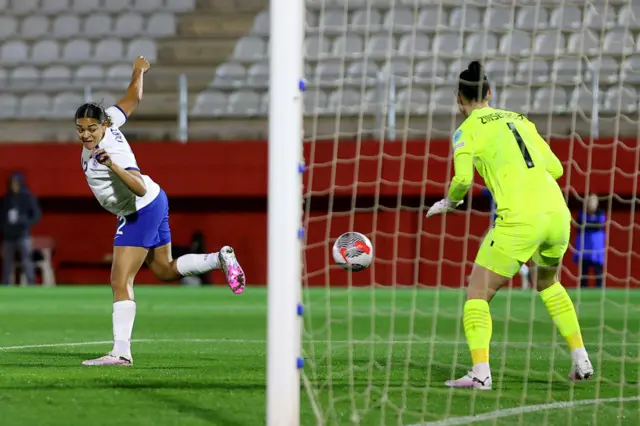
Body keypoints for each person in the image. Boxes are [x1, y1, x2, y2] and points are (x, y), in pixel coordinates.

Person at [426, 61, 593, 389]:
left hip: (519, 219)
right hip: (557, 215)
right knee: (549, 283)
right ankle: (581, 357)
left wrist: (452, 201)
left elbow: (462, 178)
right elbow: (557, 168)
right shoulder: (520, 120)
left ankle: (480, 373)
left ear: (458, 98)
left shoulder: (467, 130)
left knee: (477, 292)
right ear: (489, 93)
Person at [78, 56, 246, 367]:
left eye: (91, 128)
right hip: (156, 199)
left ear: (103, 126)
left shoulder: (110, 151)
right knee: (164, 269)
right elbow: (132, 98)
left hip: (140, 206)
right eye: (81, 129)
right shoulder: (111, 122)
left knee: (120, 280)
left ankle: (120, 353)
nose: (86, 135)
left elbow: (138, 186)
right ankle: (218, 258)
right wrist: (138, 70)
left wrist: (112, 165)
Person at [480, 187, 532, 289]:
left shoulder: (496, 188)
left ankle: (482, 277)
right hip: (506, 224)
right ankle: (524, 271)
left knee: (491, 250)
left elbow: (483, 191)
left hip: (500, 224)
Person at [0, 172, 41, 285]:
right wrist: (4, 227)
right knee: (7, 262)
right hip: (8, 236)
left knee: (26, 260)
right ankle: (5, 284)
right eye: (12, 183)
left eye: (16, 183)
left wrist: (25, 222)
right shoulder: (6, 199)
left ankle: (31, 283)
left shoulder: (28, 197)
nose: (14, 186)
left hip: (23, 235)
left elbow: (36, 214)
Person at [573, 194, 606, 288]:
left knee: (598, 268)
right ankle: (583, 288)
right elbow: (579, 227)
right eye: (590, 201)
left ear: (597, 203)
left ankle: (599, 288)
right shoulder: (581, 213)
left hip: (596, 246)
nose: (591, 204)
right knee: (584, 268)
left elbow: (599, 226)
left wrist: (587, 225)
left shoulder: (600, 213)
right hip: (584, 245)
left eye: (593, 202)